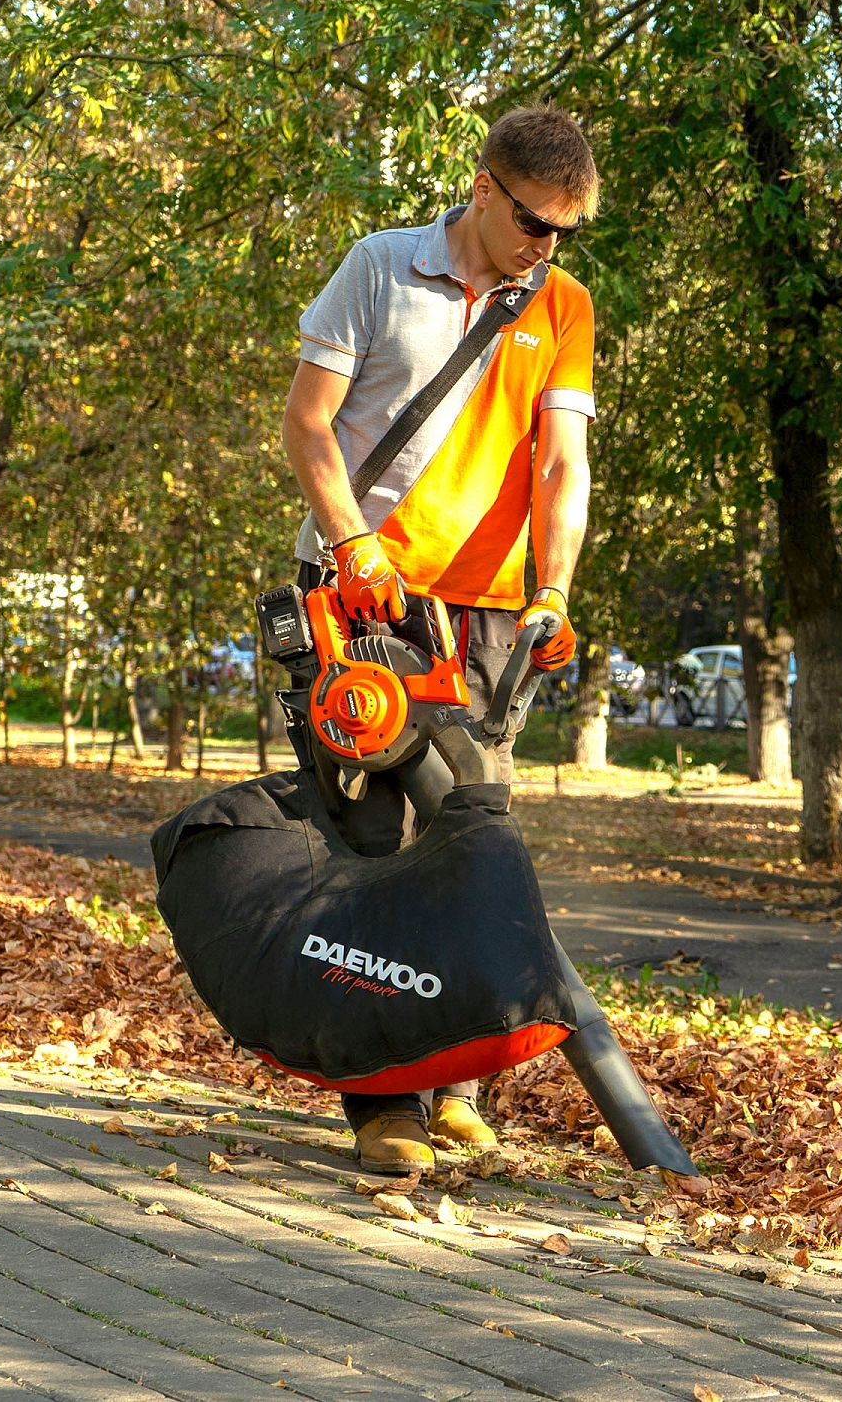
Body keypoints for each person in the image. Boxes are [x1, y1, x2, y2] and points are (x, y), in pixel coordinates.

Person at [281, 105, 597, 1174]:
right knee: (369, 844)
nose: (546, 245)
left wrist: (553, 589)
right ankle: (380, 1104)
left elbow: (562, 466)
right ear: (481, 187)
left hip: (488, 620)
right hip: (365, 602)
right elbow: (307, 422)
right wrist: (353, 543)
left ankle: (451, 1083)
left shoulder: (562, 307)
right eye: (533, 221)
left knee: (472, 842)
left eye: (566, 231)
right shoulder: (378, 269)